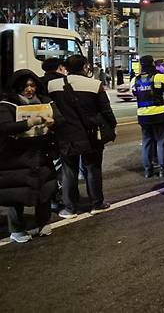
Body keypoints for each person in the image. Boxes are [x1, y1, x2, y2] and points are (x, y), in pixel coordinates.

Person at [48, 55, 117, 218]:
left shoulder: (52, 85)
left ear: (65, 68)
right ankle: (97, 204)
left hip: (65, 135)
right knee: (92, 168)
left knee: (68, 171)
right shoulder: (94, 85)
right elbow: (106, 111)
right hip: (91, 134)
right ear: (85, 66)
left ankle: (70, 208)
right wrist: (111, 127)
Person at [0, 70, 62, 242]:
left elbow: (61, 120)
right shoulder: (6, 105)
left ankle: (43, 222)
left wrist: (54, 122)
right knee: (16, 192)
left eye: (32, 85)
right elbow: (5, 127)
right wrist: (28, 123)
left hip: (41, 153)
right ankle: (17, 229)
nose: (29, 89)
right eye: (25, 86)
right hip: (16, 156)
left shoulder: (45, 101)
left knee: (45, 190)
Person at [131, 55, 164, 179]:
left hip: (142, 115)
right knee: (161, 141)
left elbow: (135, 92)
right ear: (152, 63)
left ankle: (148, 170)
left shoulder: (135, 80)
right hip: (159, 114)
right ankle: (163, 169)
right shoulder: (159, 76)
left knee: (146, 141)